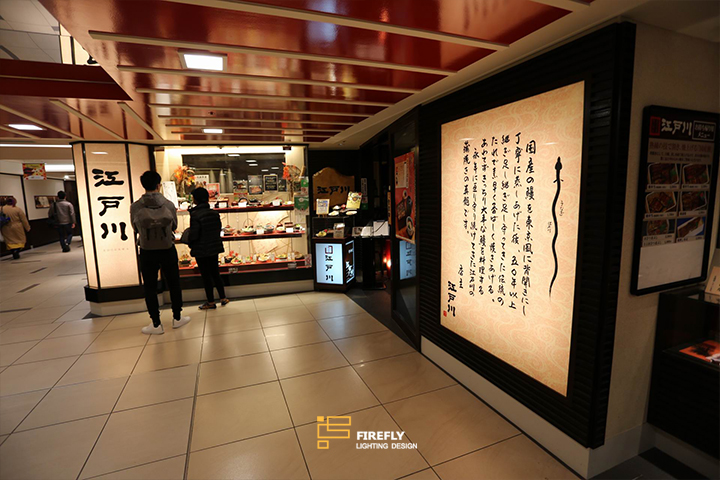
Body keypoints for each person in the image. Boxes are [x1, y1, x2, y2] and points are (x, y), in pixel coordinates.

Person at [130, 171, 190, 335]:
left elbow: (135, 228)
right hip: (167, 248)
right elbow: (174, 226)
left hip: (147, 250)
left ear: (143, 185)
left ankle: (156, 324)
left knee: (150, 287)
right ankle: (177, 318)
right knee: (174, 283)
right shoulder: (168, 204)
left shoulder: (136, 206)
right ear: (158, 185)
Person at [188, 187, 230, 310]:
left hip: (201, 249)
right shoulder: (214, 213)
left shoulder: (195, 215)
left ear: (196, 199)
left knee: (206, 276)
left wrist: (190, 242)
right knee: (215, 273)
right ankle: (223, 298)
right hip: (214, 246)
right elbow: (218, 229)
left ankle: (211, 301)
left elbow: (194, 234)